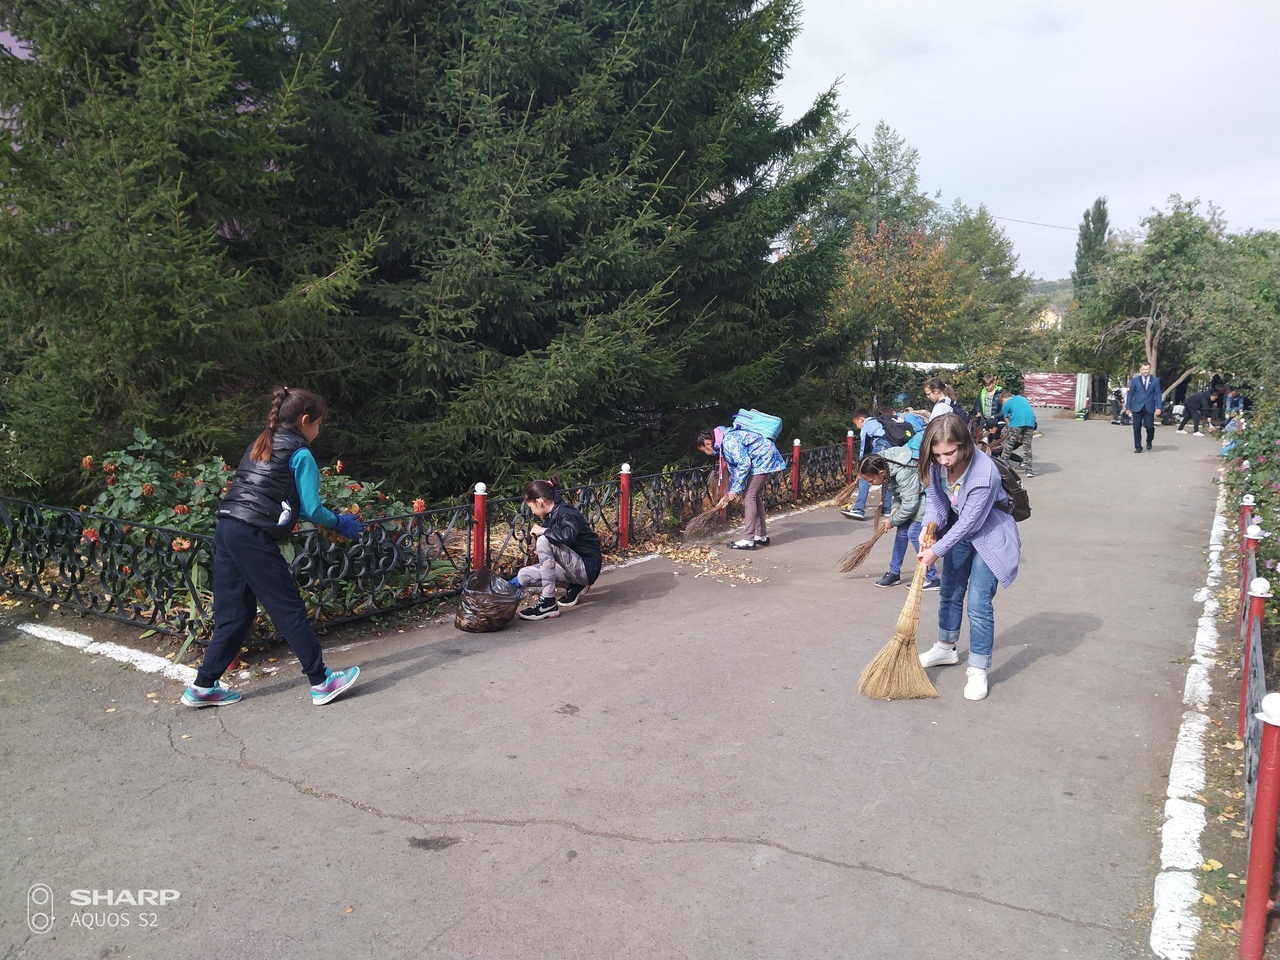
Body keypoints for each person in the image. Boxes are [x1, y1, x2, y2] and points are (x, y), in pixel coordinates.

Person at [183, 387, 364, 708]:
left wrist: (327, 519)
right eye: (318, 424)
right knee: (288, 607)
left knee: (235, 614)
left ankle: (203, 686)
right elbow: (311, 509)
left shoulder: (261, 441)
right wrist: (339, 522)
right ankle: (321, 681)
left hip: (227, 528)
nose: (319, 431)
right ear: (305, 420)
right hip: (252, 535)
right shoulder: (301, 453)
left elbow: (265, 496)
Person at [915, 413, 1022, 701]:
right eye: (937, 454)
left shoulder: (983, 472)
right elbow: (936, 501)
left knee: (978, 602)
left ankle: (978, 668)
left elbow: (969, 524)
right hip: (957, 533)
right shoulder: (936, 465)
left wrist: (935, 551)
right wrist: (928, 528)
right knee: (950, 590)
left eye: (949, 453)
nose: (943, 460)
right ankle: (945, 647)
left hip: (990, 536)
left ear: (963, 444)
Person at [512, 477, 602, 621]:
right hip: (572, 568)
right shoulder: (551, 515)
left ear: (540, 502)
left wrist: (543, 531)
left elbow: (568, 535)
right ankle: (574, 586)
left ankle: (548, 602)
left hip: (587, 566)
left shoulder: (566, 512)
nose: (532, 512)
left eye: (531, 507)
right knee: (523, 576)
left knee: (544, 540)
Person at [697, 423, 785, 550]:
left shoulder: (728, 442)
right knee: (753, 496)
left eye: (704, 450)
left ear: (708, 443)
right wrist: (728, 494)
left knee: (749, 496)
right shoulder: (724, 443)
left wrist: (734, 491)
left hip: (763, 458)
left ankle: (749, 540)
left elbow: (744, 464)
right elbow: (735, 471)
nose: (706, 453)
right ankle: (761, 536)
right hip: (762, 457)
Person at [858, 450, 938, 591]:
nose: (870, 484)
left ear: (881, 472)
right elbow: (898, 492)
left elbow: (910, 503)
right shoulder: (886, 467)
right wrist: (895, 507)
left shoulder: (902, 472)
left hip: (925, 499)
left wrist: (892, 520)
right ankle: (894, 572)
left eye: (871, 481)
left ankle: (932, 577)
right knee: (901, 533)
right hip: (913, 499)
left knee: (914, 533)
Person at [842, 408, 895, 521]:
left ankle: (859, 509)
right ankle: (886, 508)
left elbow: (864, 449)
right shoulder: (879, 422)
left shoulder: (867, 425)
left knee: (866, 474)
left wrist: (860, 470)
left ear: (861, 419)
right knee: (886, 474)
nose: (857, 427)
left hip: (881, 446)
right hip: (892, 447)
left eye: (856, 423)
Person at [1123, 362, 1162, 453]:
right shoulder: (1135, 380)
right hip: (1137, 406)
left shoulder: (1155, 380)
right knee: (1136, 427)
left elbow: (1158, 394)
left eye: (1147, 369)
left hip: (1149, 406)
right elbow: (1130, 394)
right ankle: (1138, 447)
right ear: (1140, 370)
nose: (1145, 371)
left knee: (1149, 426)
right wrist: (1128, 407)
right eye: (1143, 369)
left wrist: (1159, 407)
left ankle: (1149, 440)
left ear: (1150, 369)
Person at [997, 389, 1037, 478]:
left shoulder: (1006, 404)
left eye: (1002, 402)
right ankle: (1029, 470)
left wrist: (1009, 431)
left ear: (1003, 400)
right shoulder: (1021, 398)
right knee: (1027, 447)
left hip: (1017, 423)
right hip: (1030, 422)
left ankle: (1002, 466)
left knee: (1009, 445)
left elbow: (1007, 421)